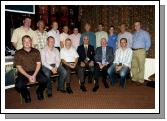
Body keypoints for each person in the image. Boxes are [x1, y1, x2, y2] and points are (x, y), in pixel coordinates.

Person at [14, 35, 47, 103]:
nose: (27, 43)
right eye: (25, 41)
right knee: (18, 85)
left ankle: (39, 91)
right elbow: (19, 67)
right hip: (23, 73)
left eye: (28, 41)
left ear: (31, 42)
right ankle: (26, 94)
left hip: (35, 71)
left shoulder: (36, 51)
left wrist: (34, 75)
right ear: (22, 43)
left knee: (45, 80)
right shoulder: (18, 53)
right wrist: (28, 76)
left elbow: (38, 64)